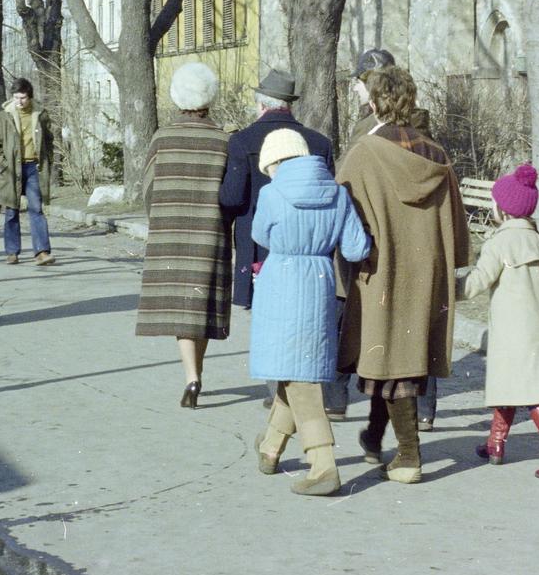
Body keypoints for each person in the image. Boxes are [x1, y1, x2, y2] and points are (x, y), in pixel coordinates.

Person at [336, 65, 469, 484]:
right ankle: (375, 438)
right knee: (398, 354)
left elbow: (342, 214)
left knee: (386, 352)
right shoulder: (436, 154)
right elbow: (459, 226)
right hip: (426, 269)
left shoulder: (363, 153)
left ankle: (409, 456)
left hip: (381, 268)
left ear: (374, 104)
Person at [250, 129, 372, 497]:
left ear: (275, 162)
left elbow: (261, 236)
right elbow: (355, 248)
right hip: (320, 283)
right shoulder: (338, 193)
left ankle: (323, 465)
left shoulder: (271, 193)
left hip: (280, 282)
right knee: (298, 369)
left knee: (299, 378)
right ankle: (271, 446)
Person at [218, 68, 339, 415]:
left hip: (260, 242)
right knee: (309, 316)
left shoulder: (241, 142)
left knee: (269, 318)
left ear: (261, 105)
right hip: (311, 245)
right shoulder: (319, 143)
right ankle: (310, 388)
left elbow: (231, 198)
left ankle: (279, 390)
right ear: (290, 105)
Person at [456, 163, 539, 479]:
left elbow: (474, 284)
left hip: (509, 329)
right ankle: (495, 444)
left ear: (503, 211)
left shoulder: (498, 243)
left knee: (529, 392)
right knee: (513, 383)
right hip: (537, 328)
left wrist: (445, 286)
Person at [350, 47, 440, 430]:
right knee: (419, 333)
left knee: (381, 341)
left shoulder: (366, 143)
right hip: (423, 252)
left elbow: (347, 195)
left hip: (380, 251)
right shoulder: (432, 146)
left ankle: (395, 441)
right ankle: (414, 417)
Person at [136, 62, 233, 408]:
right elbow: (232, 192)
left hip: (171, 233)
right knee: (201, 308)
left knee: (182, 312)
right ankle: (197, 374)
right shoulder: (223, 140)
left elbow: (148, 187)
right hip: (211, 233)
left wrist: (160, 218)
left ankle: (191, 377)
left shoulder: (162, 138)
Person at [0, 77, 56, 266]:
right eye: (16, 98)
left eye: (23, 98)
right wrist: (4, 166)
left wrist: (47, 159)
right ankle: (12, 252)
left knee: (36, 209)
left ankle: (41, 252)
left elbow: (49, 140)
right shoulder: (4, 116)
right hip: (11, 169)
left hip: (34, 167)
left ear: (30, 97)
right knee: (11, 210)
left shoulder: (40, 114)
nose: (19, 102)